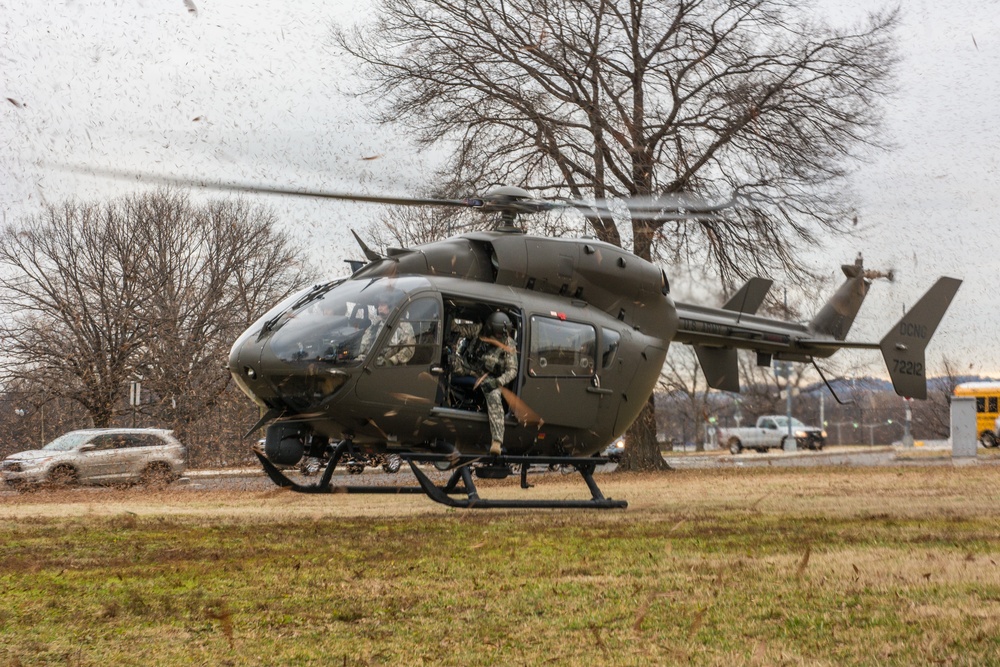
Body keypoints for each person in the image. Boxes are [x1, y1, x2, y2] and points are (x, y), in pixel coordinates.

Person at [450, 311, 518, 456]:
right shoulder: (479, 330)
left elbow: (512, 371)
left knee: (493, 396)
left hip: (489, 377)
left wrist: (497, 382)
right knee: (448, 365)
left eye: (502, 334)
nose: (499, 337)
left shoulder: (508, 344)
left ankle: (497, 442)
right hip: (469, 367)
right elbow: (459, 329)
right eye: (497, 334)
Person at [358, 291, 415, 365]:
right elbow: (365, 346)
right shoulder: (375, 325)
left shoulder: (403, 326)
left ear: (390, 306)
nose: (379, 308)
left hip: (395, 369)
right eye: (378, 306)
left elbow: (409, 348)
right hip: (374, 367)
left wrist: (393, 361)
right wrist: (361, 359)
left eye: (382, 305)